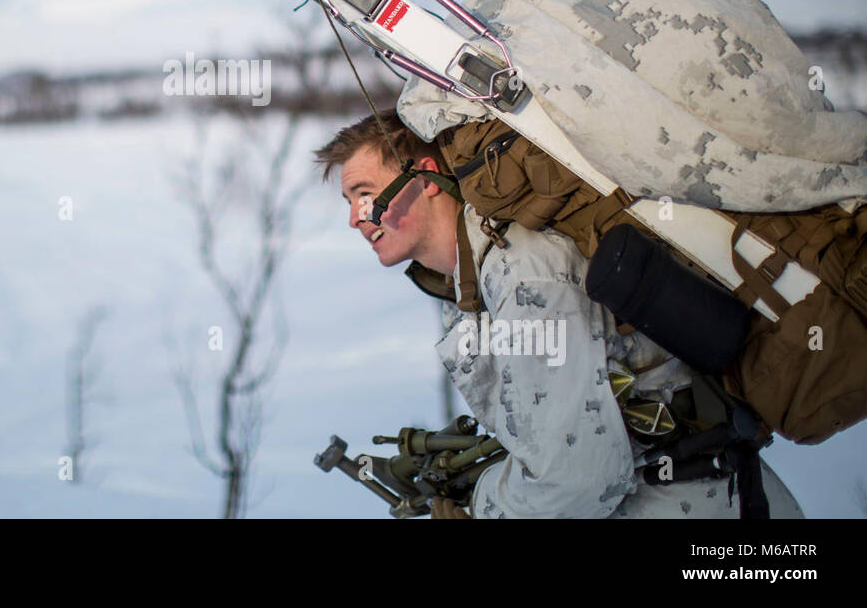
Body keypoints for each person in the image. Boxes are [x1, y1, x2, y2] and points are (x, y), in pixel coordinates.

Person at [314, 107, 803, 519]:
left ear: (425, 179)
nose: (355, 217)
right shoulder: (472, 283)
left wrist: (484, 501)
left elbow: (577, 479)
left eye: (364, 193)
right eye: (348, 200)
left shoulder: (524, 273)